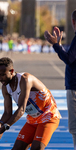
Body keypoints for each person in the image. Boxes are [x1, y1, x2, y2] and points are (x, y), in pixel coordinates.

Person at [0, 57, 61, 150]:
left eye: (2, 74)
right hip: (33, 120)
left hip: (48, 117)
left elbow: (21, 109)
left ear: (11, 71)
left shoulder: (25, 79)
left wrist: (3, 129)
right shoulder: (5, 87)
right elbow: (7, 113)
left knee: (36, 148)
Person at [44, 9, 76, 150]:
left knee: (74, 127)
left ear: (73, 22)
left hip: (75, 87)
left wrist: (56, 45)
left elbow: (69, 59)